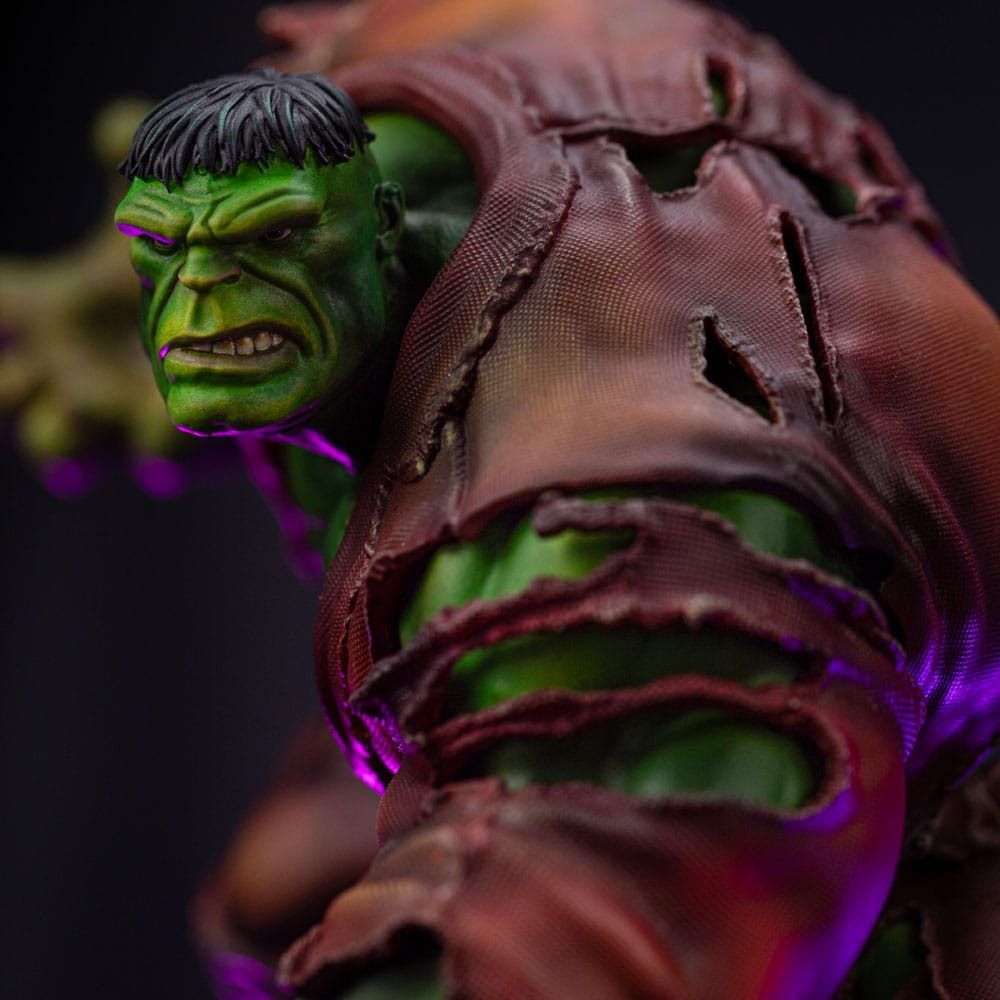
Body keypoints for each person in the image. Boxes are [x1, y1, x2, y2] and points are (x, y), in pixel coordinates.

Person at [115, 2, 1000, 994]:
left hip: (896, 800)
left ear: (387, 227)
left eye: (271, 238)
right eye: (157, 248)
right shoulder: (480, 55)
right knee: (287, 878)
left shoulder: (618, 527)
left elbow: (611, 919)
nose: (200, 295)